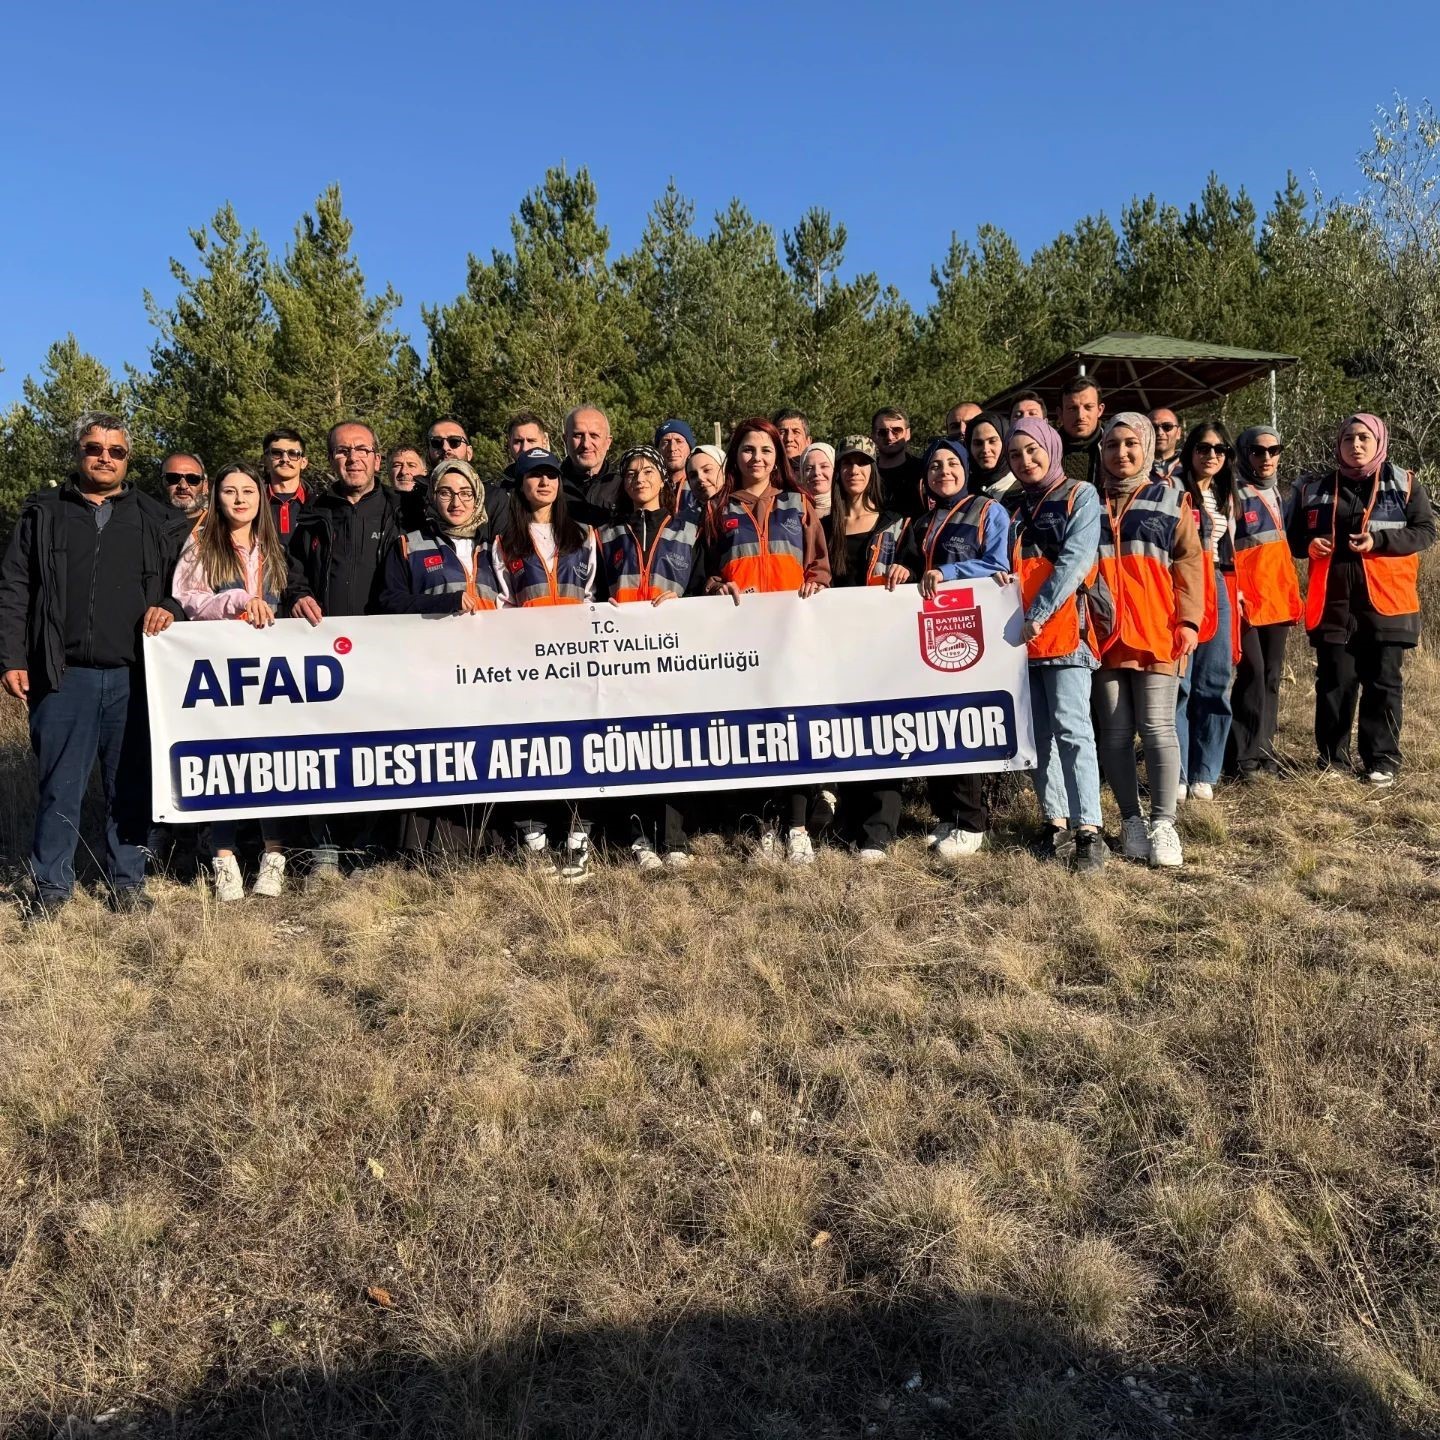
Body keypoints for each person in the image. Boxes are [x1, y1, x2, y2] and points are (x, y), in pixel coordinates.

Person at [0, 412, 186, 920]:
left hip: (134, 676)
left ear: (129, 458)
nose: (104, 457)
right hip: (63, 675)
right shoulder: (43, 512)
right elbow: (15, 587)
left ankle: (128, 882)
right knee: (60, 784)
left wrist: (170, 605)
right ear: (78, 453)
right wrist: (13, 656)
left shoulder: (156, 517)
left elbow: (184, 585)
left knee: (129, 784)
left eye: (116, 451)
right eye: (94, 448)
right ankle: (50, 888)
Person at [704, 417, 830, 865]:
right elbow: (709, 570)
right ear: (735, 455)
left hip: (791, 632)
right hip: (741, 638)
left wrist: (816, 582)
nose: (756, 458)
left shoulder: (798, 503)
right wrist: (717, 585)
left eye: (766, 451)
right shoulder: (718, 507)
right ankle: (765, 826)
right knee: (756, 730)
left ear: (778, 457)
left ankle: (796, 826)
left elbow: (818, 563)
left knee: (793, 725)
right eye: (748, 450)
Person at [283, 419, 404, 882]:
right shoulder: (313, 514)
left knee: (377, 752)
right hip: (325, 655)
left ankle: (366, 849)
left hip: (383, 654)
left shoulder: (400, 511)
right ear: (330, 458)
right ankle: (325, 849)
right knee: (325, 752)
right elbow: (291, 572)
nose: (352, 458)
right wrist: (296, 595)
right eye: (341, 451)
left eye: (361, 450)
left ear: (376, 457)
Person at [1287, 414, 1435, 785]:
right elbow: (1292, 539)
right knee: (1335, 682)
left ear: (1379, 441)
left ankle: (1381, 760)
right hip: (1334, 603)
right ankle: (1332, 761)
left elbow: (1426, 532)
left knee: (1383, 682)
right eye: (1349, 438)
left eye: (1364, 438)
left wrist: (1379, 542)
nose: (1356, 445)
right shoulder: (1315, 488)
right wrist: (1308, 544)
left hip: (1387, 603)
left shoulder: (1405, 484)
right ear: (1338, 445)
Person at [170, 462, 291, 901]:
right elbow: (187, 599)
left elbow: (289, 592)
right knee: (226, 764)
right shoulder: (201, 543)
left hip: (271, 671)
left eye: (248, 491)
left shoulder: (272, 545)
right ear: (216, 497)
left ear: (261, 498)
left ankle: (274, 857)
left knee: (271, 762)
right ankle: (224, 860)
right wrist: (237, 600)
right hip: (221, 672)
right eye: (229, 492)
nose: (239, 499)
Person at [1089, 413, 1204, 867]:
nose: (1121, 453)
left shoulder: (1171, 500)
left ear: (1148, 447)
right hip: (1102, 634)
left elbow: (1191, 564)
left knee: (1157, 728)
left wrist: (1190, 621)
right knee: (1115, 735)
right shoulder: (1086, 502)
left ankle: (1164, 823)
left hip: (1158, 630)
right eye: (1112, 445)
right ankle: (1130, 820)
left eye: (1131, 444)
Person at [894, 438, 1011, 863]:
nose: (944, 471)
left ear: (965, 469)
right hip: (927, 632)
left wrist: (948, 572)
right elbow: (909, 565)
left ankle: (970, 821)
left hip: (968, 631)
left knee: (962, 721)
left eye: (952, 464)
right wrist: (903, 567)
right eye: (935, 466)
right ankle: (946, 813)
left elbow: (999, 565)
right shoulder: (921, 522)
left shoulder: (987, 511)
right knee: (934, 721)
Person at [379, 457, 501, 861]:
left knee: (485, 752)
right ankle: (427, 851)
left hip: (488, 671)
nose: (456, 502)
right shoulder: (409, 543)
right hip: (430, 670)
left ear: (477, 496)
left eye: (465, 493)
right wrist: (447, 602)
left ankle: (485, 842)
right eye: (446, 493)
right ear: (432, 496)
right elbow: (389, 602)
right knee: (438, 754)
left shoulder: (496, 544)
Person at [596, 443, 703, 870]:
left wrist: (683, 599)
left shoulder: (688, 527)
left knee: (672, 743)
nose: (639, 478)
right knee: (632, 744)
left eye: (647, 471)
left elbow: (700, 583)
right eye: (631, 473)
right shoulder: (608, 533)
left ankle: (675, 839)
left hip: (673, 655)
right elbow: (595, 588)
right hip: (623, 655)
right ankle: (638, 837)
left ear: (663, 479)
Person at [493, 447, 598, 881]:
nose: (544, 483)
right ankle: (534, 836)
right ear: (520, 484)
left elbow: (592, 596)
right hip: (528, 666)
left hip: (576, 664)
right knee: (533, 750)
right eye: (534, 476)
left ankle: (579, 834)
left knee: (581, 748)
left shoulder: (584, 535)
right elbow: (501, 602)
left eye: (551, 475)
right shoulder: (504, 542)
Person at [1007, 418, 1106, 871]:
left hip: (1064, 630)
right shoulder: (1010, 508)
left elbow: (1076, 560)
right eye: (1016, 455)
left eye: (1033, 451)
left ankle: (1090, 829)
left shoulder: (1079, 495)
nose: (1026, 461)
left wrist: (1039, 615)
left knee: (1072, 729)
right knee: (1038, 736)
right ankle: (1055, 822)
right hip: (1018, 639)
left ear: (1051, 447)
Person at [826, 436, 910, 862]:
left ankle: (879, 828)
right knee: (845, 732)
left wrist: (906, 567)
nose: (854, 471)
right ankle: (848, 819)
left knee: (882, 730)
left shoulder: (895, 524)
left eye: (862, 464)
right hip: (837, 646)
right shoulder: (825, 527)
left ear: (872, 470)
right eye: (847, 464)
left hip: (882, 645)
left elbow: (917, 570)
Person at [1228, 425, 1301, 778]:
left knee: (1271, 676)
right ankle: (1241, 757)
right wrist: (1234, 593)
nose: (1267, 457)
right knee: (1252, 674)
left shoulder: (1283, 495)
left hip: (1276, 598)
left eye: (1274, 450)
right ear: (1244, 453)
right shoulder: (1233, 494)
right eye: (1258, 451)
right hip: (1244, 601)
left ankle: (1263, 753)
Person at [1174, 422, 1240, 802]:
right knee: (1180, 684)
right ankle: (1178, 772)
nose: (1211, 455)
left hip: (1217, 582)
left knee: (1214, 681)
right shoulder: (1172, 489)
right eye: (1203, 448)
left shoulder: (1226, 494)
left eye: (1220, 449)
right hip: (1181, 582)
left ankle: (1205, 772)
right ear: (1190, 451)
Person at [562, 405, 620, 519]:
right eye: (578, 435)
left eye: (594, 435)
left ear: (608, 442)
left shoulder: (624, 486)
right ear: (565, 440)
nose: (586, 444)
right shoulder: (551, 484)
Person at [965, 412, 1022, 516]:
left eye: (992, 441)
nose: (985, 449)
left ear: (1006, 442)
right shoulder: (964, 491)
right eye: (978, 443)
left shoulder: (1023, 491)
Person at [872, 407, 926, 518]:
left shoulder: (923, 471)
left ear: (908, 434)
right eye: (882, 432)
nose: (890, 437)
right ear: (873, 436)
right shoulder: (865, 472)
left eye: (897, 430)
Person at [261, 427, 312, 540]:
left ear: (303, 462)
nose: (285, 459)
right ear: (265, 460)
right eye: (276, 453)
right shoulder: (253, 503)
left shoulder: (319, 505)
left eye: (293, 454)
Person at [1058, 377, 1105, 485]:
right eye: (1072, 408)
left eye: (1088, 407)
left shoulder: (1117, 447)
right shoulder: (1045, 450)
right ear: (1060, 413)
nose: (1080, 416)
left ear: (1100, 410)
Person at [160, 452, 209, 526]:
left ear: (205, 486)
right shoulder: (145, 523)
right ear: (160, 483)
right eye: (173, 478)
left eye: (193, 479)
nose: (183, 486)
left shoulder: (223, 528)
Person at [654, 419, 695, 495]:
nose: (672, 448)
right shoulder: (649, 488)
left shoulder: (701, 485)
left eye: (679, 441)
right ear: (658, 449)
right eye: (666, 442)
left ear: (690, 448)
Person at [797, 441, 835, 520]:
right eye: (809, 468)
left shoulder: (848, 509)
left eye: (824, 466)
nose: (816, 473)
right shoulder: (793, 511)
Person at [684, 443, 726, 510]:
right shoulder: (683, 519)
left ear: (724, 470)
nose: (700, 478)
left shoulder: (744, 511)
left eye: (707, 470)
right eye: (693, 476)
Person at [1150, 408, 1183, 481]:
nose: (1159, 432)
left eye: (1167, 426)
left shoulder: (1192, 465)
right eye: (1153, 427)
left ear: (1178, 433)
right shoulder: (1135, 468)